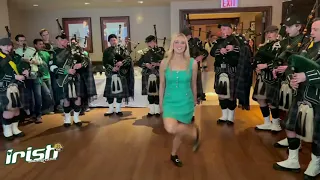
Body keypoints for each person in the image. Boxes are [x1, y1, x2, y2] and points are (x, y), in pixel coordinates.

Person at [273, 18, 320, 179]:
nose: (311, 33)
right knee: (290, 126)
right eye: (312, 29)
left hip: (316, 96)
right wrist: (292, 78)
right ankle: (293, 160)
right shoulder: (308, 45)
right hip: (301, 93)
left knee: (317, 134)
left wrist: (305, 76)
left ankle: (315, 163)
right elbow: (295, 64)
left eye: (315, 30)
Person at [160, 33, 200, 167]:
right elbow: (162, 84)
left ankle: (173, 154)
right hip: (170, 101)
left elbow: (194, 83)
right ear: (172, 45)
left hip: (186, 101)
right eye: (176, 42)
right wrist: (160, 103)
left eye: (182, 43)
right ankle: (193, 132)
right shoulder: (165, 62)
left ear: (186, 46)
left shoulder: (192, 63)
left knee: (178, 132)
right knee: (171, 128)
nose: (179, 45)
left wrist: (195, 100)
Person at [271, 15, 310, 147]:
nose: (286, 30)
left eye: (289, 27)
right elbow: (282, 56)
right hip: (285, 79)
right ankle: (291, 140)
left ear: (298, 27)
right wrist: (276, 67)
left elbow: (304, 62)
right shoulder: (286, 41)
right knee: (286, 110)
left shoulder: (306, 41)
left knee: (295, 114)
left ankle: (295, 143)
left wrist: (288, 67)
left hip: (298, 81)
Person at [49, 34, 89, 127]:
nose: (65, 42)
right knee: (66, 99)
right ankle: (67, 119)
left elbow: (85, 59)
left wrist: (81, 65)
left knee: (78, 98)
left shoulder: (73, 50)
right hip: (63, 79)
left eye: (66, 40)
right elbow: (52, 66)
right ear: (57, 41)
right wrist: (66, 71)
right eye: (62, 40)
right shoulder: (53, 52)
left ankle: (76, 118)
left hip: (76, 78)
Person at [253, 25, 282, 131]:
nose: (269, 35)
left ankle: (276, 123)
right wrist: (257, 67)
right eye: (267, 33)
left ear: (276, 33)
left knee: (272, 101)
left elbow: (278, 60)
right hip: (262, 76)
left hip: (272, 76)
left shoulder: (279, 45)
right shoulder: (265, 46)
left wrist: (266, 65)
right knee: (261, 99)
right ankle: (266, 122)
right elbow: (257, 58)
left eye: (271, 32)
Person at [210, 24, 240, 125]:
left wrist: (233, 48)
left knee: (231, 95)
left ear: (231, 30)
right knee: (221, 94)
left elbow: (244, 51)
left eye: (225, 28)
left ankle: (230, 117)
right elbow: (212, 52)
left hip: (231, 70)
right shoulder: (218, 41)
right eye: (221, 29)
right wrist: (220, 50)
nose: (223, 30)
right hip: (219, 70)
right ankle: (224, 115)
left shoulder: (237, 40)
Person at [0, 37, 27, 140]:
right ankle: (7, 131)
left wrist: (25, 70)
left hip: (16, 85)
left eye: (9, 45)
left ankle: (15, 129)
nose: (8, 47)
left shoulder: (13, 56)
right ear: (0, 46)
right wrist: (14, 77)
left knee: (16, 109)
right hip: (4, 87)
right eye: (5, 45)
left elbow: (21, 65)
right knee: (8, 109)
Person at [103, 34, 134, 116]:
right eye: (112, 40)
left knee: (119, 93)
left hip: (121, 74)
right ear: (109, 41)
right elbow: (105, 63)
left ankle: (118, 109)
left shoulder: (123, 49)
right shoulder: (106, 51)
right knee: (109, 94)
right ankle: (110, 109)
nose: (113, 41)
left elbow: (128, 59)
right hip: (110, 74)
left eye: (114, 40)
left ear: (117, 40)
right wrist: (111, 68)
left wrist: (121, 63)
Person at [14, 34, 43, 123]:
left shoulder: (32, 50)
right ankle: (32, 115)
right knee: (29, 97)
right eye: (21, 41)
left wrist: (32, 61)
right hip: (25, 77)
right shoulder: (15, 52)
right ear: (17, 42)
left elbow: (40, 62)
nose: (23, 42)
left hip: (34, 75)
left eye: (24, 40)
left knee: (38, 96)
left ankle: (39, 115)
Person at [138, 35, 165, 117]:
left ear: (155, 42)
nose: (149, 44)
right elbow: (139, 62)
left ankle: (157, 110)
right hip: (148, 74)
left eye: (150, 42)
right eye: (148, 43)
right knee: (150, 93)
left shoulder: (161, 51)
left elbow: (166, 62)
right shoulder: (145, 52)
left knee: (157, 93)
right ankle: (151, 110)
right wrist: (146, 64)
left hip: (158, 74)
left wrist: (157, 64)